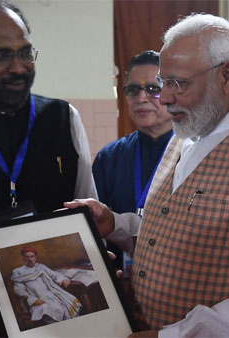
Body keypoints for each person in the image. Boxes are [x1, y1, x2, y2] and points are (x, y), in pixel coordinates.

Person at [66, 13, 229, 336]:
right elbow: (176, 227)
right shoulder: (187, 131)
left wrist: (176, 335)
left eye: (177, 83)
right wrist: (114, 224)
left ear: (227, 76)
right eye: (164, 82)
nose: (166, 97)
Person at [0, 0, 97, 221]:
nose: (18, 68)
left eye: (25, 53)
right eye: (0, 56)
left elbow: (87, 207)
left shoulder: (63, 117)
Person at [92, 50, 173, 271]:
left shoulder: (194, 153)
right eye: (132, 89)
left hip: (176, 277)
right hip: (121, 276)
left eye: (153, 89)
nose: (141, 98)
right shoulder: (109, 157)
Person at [11, 247, 81, 324]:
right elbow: (19, 290)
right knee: (53, 309)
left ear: (35, 257)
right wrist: (33, 300)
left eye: (32, 256)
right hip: (36, 298)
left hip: (52, 294)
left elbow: (54, 274)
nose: (29, 259)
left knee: (67, 306)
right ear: (23, 258)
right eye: (27, 257)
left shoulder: (41, 267)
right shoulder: (18, 272)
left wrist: (63, 279)